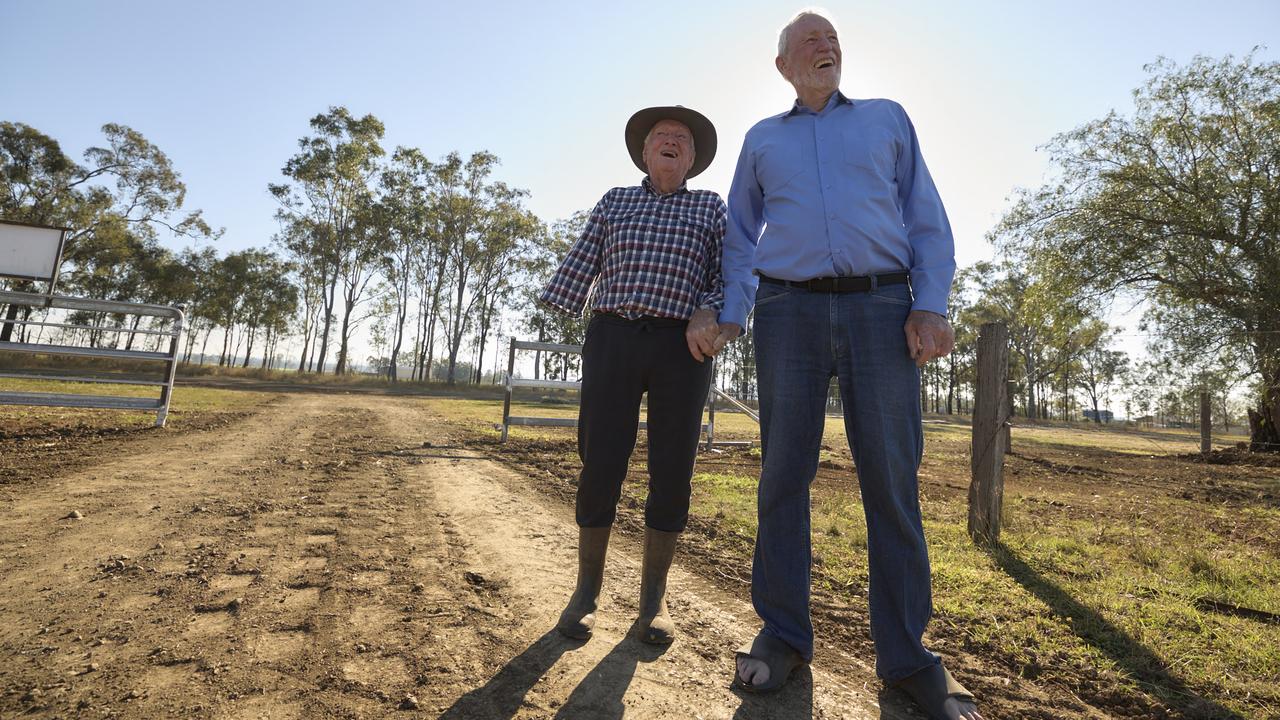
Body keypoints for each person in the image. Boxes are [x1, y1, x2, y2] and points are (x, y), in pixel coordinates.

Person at [717, 10, 983, 720]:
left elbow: (925, 216)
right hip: (788, 312)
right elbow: (740, 236)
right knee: (782, 475)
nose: (824, 46)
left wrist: (930, 303)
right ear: (783, 66)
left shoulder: (887, 120)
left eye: (831, 38)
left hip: (880, 308)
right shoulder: (761, 139)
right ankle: (782, 634)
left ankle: (907, 657)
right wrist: (734, 313)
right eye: (808, 41)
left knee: (891, 481)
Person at [539, 105, 726, 646]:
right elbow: (582, 260)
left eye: (682, 140)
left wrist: (709, 311)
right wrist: (560, 301)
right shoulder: (615, 200)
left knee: (673, 467)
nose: (670, 142)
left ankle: (652, 605)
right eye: (660, 137)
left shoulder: (711, 208)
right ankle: (586, 593)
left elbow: (725, 274)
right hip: (613, 335)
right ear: (644, 153)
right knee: (600, 458)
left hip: (681, 345)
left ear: (693, 159)